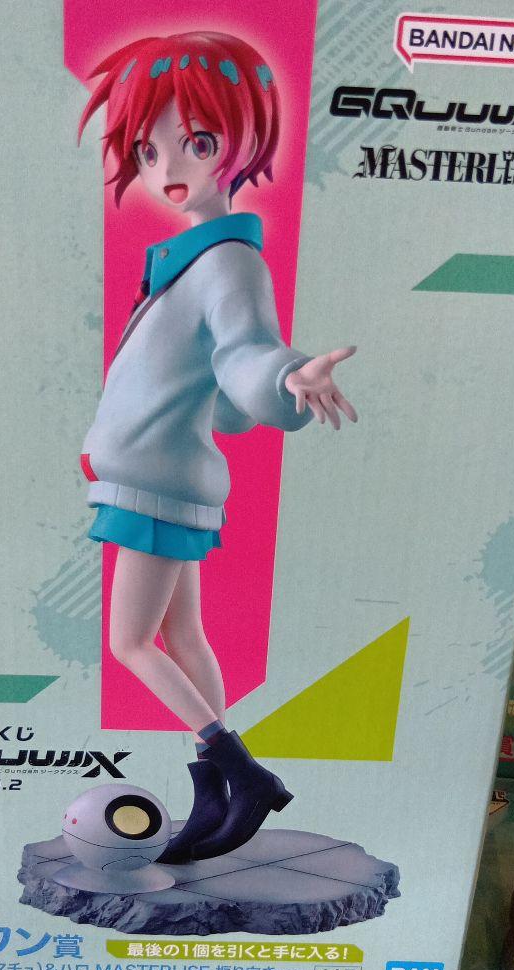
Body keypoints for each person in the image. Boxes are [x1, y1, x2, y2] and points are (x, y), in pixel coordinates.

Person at [79, 30, 358, 863]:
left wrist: (287, 377)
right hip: (166, 475)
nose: (169, 165)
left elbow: (244, 355)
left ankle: (244, 774)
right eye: (149, 148)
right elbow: (221, 393)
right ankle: (212, 789)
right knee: (185, 636)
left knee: (130, 643)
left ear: (242, 143)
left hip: (154, 485)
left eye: (197, 143)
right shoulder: (192, 260)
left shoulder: (227, 260)